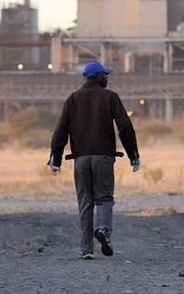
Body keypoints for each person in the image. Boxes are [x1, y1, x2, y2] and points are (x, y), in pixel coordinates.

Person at [48, 61, 141, 259]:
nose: (107, 77)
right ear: (96, 77)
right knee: (104, 198)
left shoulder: (73, 99)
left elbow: (60, 131)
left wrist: (55, 158)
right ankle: (104, 230)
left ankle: (86, 249)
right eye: (104, 75)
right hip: (103, 158)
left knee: (85, 202)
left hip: (80, 159)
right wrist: (133, 154)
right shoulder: (110, 96)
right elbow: (125, 127)